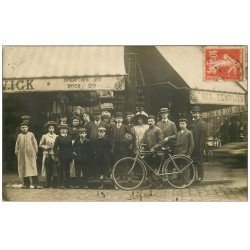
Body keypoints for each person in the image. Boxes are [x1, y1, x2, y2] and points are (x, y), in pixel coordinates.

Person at [15, 122, 42, 189]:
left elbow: (35, 143)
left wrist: (35, 151)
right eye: (23, 127)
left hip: (31, 155)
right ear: (21, 128)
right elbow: (17, 145)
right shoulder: (19, 136)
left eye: (25, 127)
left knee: (33, 168)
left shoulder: (31, 134)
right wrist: (17, 151)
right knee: (24, 168)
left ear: (28, 128)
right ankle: (26, 184)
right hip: (22, 155)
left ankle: (36, 184)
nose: (24, 129)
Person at [141, 115, 164, 186]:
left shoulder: (158, 130)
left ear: (154, 122)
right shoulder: (147, 130)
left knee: (156, 167)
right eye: (149, 121)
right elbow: (143, 139)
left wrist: (154, 148)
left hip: (156, 152)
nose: (150, 122)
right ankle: (151, 182)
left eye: (151, 121)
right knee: (150, 167)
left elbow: (161, 142)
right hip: (148, 151)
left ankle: (159, 183)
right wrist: (141, 145)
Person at [189, 106, 208, 182]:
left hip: (198, 146)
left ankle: (200, 176)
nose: (195, 114)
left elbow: (203, 137)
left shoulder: (202, 123)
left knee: (199, 162)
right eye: (194, 113)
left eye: (196, 113)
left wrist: (201, 148)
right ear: (191, 113)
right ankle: (192, 176)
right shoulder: (190, 122)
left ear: (199, 113)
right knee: (191, 162)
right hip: (191, 146)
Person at [53, 124, 73, 188]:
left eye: (65, 129)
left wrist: (71, 155)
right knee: (61, 170)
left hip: (68, 156)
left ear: (67, 130)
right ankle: (61, 184)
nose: (63, 130)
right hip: (61, 155)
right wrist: (56, 156)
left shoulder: (69, 137)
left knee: (67, 170)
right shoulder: (58, 137)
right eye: (62, 129)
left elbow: (71, 147)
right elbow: (55, 147)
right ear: (60, 130)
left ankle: (68, 184)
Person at [39, 121, 58, 188]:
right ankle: (48, 182)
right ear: (47, 129)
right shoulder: (45, 136)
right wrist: (46, 147)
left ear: (54, 129)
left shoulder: (56, 136)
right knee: (48, 168)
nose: (51, 130)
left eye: (52, 128)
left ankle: (54, 183)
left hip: (54, 154)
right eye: (49, 128)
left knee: (54, 168)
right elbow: (40, 145)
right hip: (47, 154)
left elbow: (58, 145)